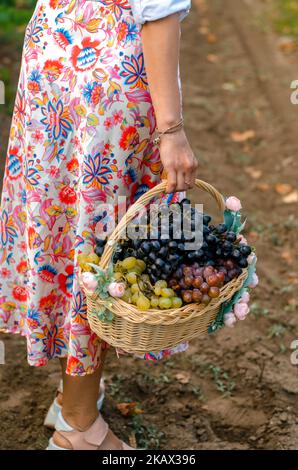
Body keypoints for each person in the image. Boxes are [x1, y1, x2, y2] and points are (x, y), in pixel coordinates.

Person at [0, 0, 197, 450]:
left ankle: (73, 398)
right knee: (106, 251)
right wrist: (171, 129)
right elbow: (158, 11)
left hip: (53, 58)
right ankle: (79, 428)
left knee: (67, 231)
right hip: (107, 80)